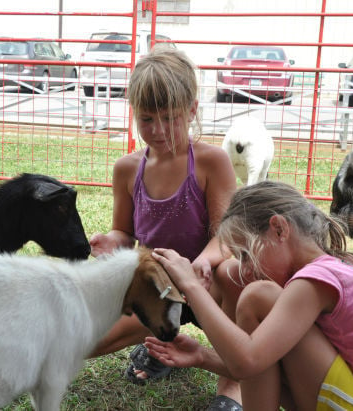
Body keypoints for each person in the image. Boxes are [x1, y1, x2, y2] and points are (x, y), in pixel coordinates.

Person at [145, 181, 353, 410]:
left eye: (245, 253)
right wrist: (203, 357)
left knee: (258, 297)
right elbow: (268, 368)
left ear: (279, 229)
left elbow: (248, 360)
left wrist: (191, 287)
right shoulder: (339, 268)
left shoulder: (313, 282)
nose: (244, 269)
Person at [88, 47, 242, 409]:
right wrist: (111, 241)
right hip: (157, 287)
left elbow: (228, 234)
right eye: (146, 119)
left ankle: (231, 388)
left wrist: (202, 262)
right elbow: (124, 233)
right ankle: (163, 345)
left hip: (208, 284)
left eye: (170, 118)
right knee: (88, 341)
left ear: (191, 109)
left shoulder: (212, 162)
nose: (157, 130)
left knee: (238, 274)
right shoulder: (127, 169)